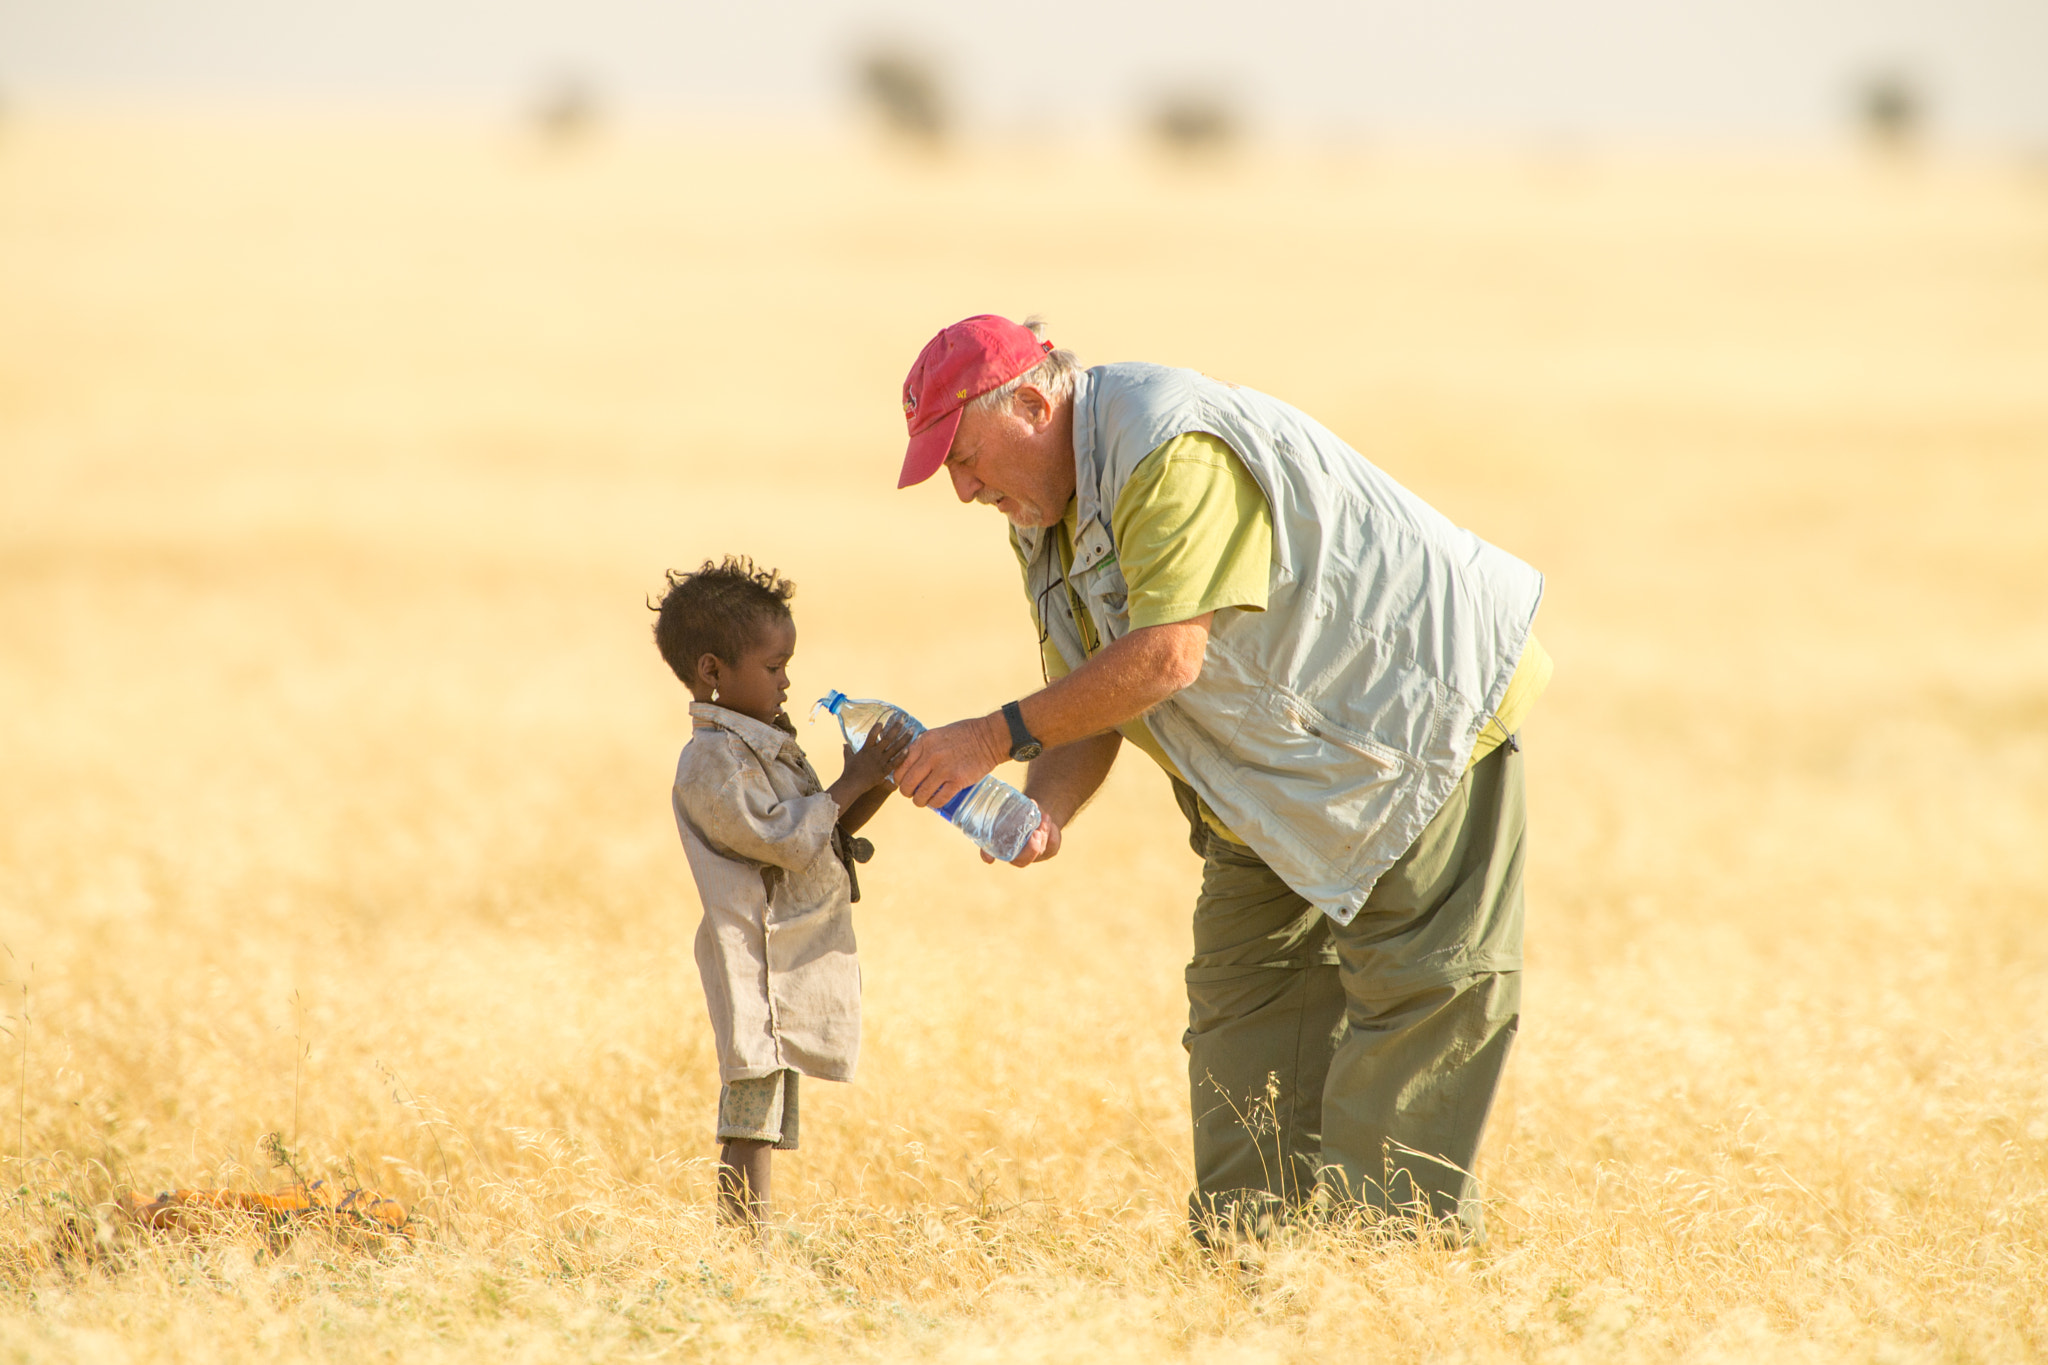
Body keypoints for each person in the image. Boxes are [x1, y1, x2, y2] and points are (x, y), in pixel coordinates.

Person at [890, 315, 1551, 1244]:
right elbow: (1093, 685)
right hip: (1267, 782)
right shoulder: (1037, 506)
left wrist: (991, 737)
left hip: (1413, 730)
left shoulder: (1167, 445)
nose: (961, 490)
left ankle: (1385, 1294)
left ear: (1035, 403)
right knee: (1246, 1021)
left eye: (963, 456)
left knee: (1418, 1008)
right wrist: (1044, 808)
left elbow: (1164, 657)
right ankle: (1254, 1283)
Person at [652, 556, 913, 1226]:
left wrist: (877, 778)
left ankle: (750, 1249)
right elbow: (789, 839)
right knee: (749, 1119)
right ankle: (745, 1251)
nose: (786, 681)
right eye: (773, 668)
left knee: (764, 1116)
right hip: (755, 961)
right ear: (713, 671)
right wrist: (853, 778)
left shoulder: (762, 747)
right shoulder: (711, 761)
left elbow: (823, 830)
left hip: (784, 957)